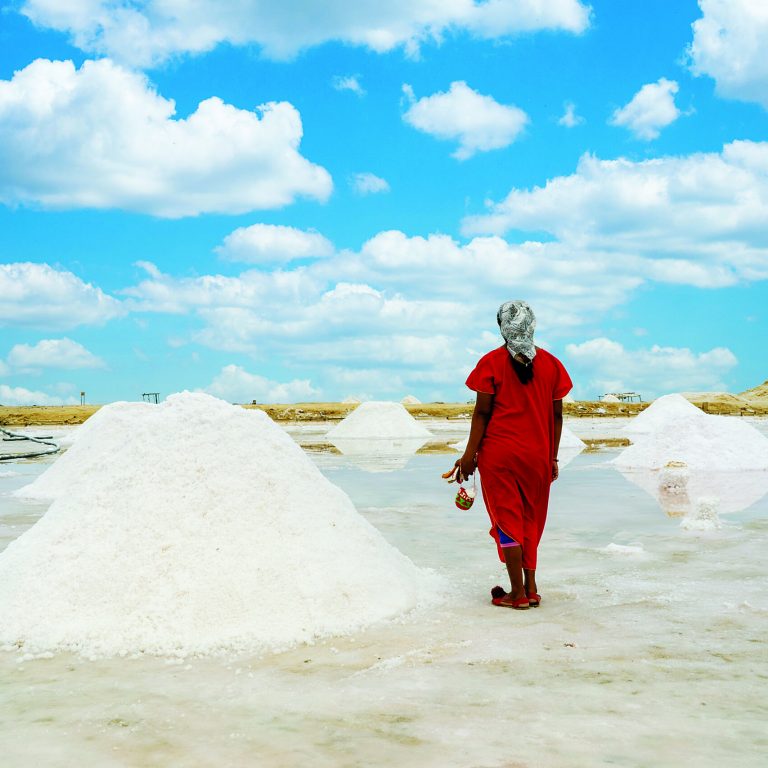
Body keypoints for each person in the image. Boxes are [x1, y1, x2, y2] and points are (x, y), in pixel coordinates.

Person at [446, 300, 572, 609]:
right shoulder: (552, 365)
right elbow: (557, 416)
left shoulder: (491, 363)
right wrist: (552, 457)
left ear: (502, 328)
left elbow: (482, 414)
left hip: (499, 456)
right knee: (531, 519)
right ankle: (530, 587)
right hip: (538, 457)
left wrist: (468, 456)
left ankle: (516, 595)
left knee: (507, 522)